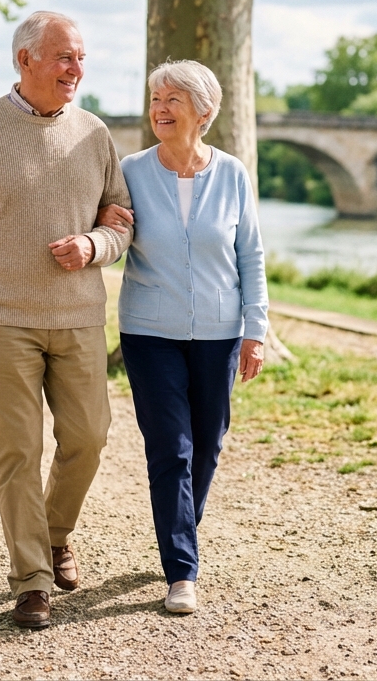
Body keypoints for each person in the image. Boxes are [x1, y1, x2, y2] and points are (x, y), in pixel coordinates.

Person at [0, 11, 134, 630]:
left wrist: (94, 245)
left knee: (89, 437)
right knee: (17, 450)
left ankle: (54, 534)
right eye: (65, 57)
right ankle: (32, 579)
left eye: (81, 58)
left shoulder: (94, 133)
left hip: (79, 318)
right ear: (26, 60)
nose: (76, 69)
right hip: (2, 320)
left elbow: (121, 218)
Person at [107, 59, 268, 615]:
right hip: (149, 331)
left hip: (220, 332)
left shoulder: (232, 174)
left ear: (204, 111)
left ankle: (180, 530)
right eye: (155, 98)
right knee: (171, 448)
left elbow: (250, 255)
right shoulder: (130, 171)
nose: (160, 108)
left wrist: (255, 330)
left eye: (172, 99)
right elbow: (113, 233)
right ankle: (181, 570)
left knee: (207, 443)